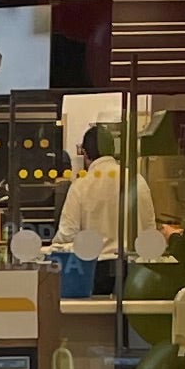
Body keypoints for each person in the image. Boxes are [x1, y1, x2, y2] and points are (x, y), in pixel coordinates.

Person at [50, 122, 124, 298]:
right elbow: (149, 227)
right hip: (133, 273)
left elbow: (67, 235)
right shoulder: (137, 180)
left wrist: (48, 251)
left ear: (85, 153)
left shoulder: (81, 186)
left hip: (94, 273)